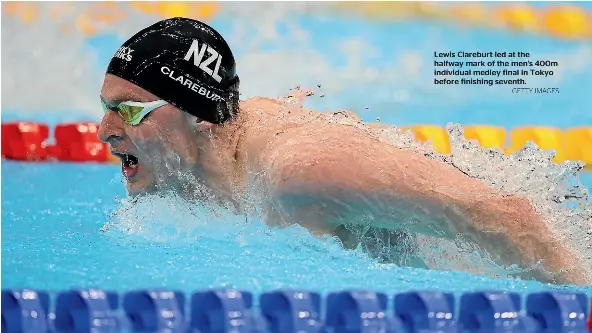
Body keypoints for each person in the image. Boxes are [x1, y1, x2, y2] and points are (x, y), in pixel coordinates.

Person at [98, 17, 590, 285]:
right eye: (106, 108)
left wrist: (574, 306)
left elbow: (506, 216)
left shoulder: (298, 174)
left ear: (198, 114)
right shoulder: (213, 157)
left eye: (131, 111)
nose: (105, 132)